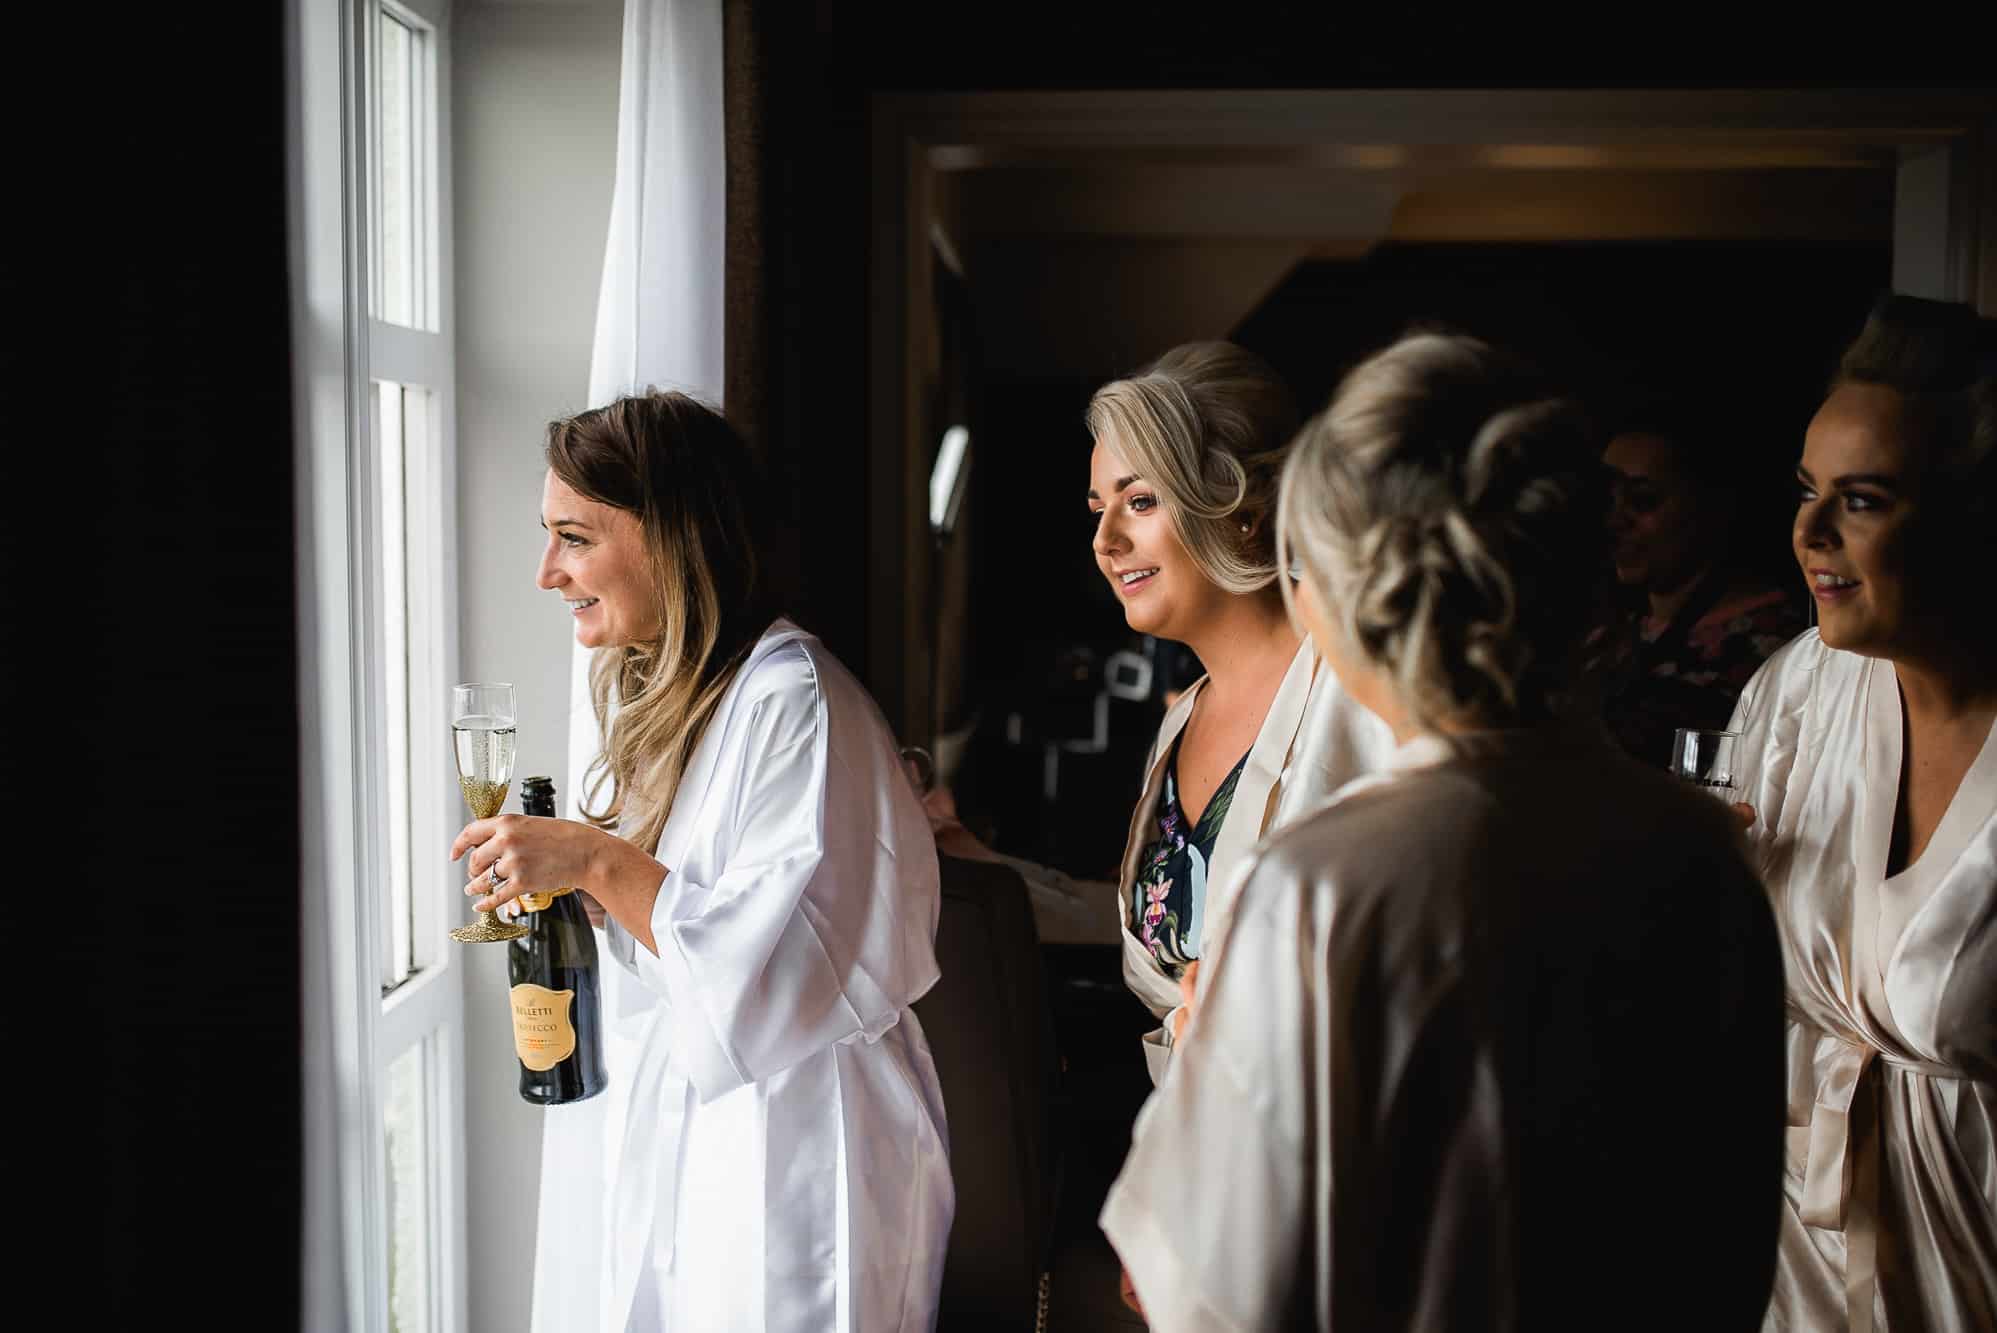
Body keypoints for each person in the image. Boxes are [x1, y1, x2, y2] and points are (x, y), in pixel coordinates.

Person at [1101, 331, 1787, 1331]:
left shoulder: (1316, 886)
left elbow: (1210, 1290)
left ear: (1344, 593)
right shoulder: (1699, 856)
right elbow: (1733, 1233)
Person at [450, 392, 952, 1332]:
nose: (546, 572)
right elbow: (708, 924)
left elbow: (772, 970)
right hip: (721, 1132)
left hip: (803, 1149)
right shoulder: (703, 695)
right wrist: (597, 898)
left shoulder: (792, 699)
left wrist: (600, 862)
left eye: (573, 537)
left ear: (670, 538)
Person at [931, 340, 1395, 1083]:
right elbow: (1174, 934)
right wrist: (990, 871)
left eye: (1139, 500)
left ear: (1242, 509)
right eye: (1097, 508)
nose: (1104, 540)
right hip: (1197, 1155)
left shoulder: (1361, 694)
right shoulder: (1179, 725)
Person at [1728, 294, 1996, 1332]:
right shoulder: (1795, 694)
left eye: (1864, 499)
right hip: (1792, 1264)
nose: (1805, 533)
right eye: (1805, 491)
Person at [1582, 401, 1808, 766]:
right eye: (1606, 500)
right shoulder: (1608, 631)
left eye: (1643, 501)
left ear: (1712, 504)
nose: (1613, 521)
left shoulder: (1778, 648)